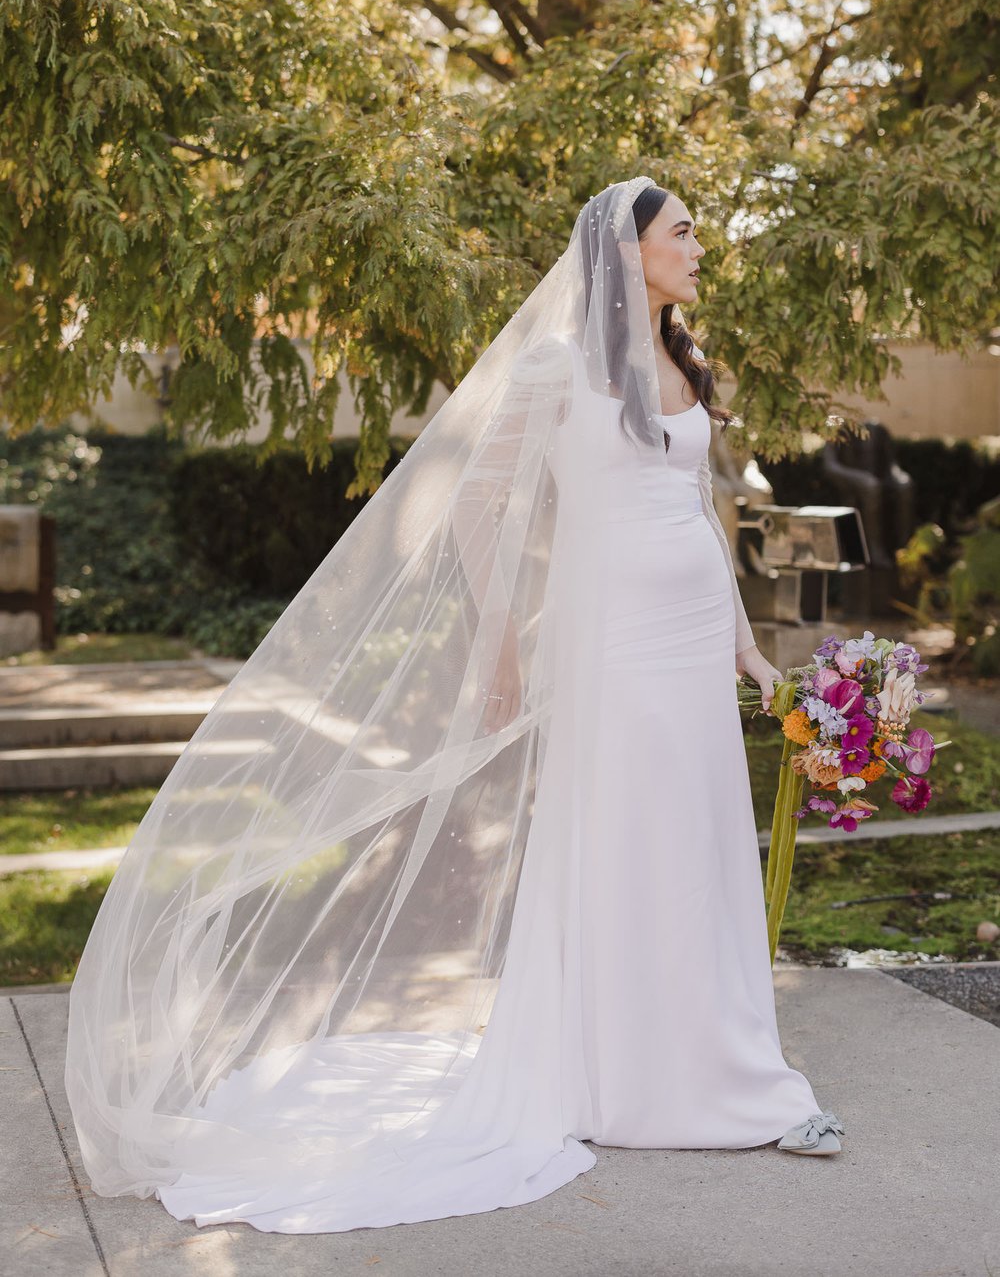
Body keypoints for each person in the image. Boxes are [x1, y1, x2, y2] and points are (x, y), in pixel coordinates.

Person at [64, 176, 844, 1237]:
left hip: (693, 641)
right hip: (613, 645)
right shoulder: (555, 366)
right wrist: (502, 638)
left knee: (701, 836)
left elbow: (697, 508)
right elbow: (480, 505)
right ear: (627, 249)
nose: (700, 246)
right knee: (627, 839)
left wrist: (748, 646)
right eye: (684, 231)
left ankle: (717, 1052)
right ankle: (619, 1070)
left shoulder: (688, 359)